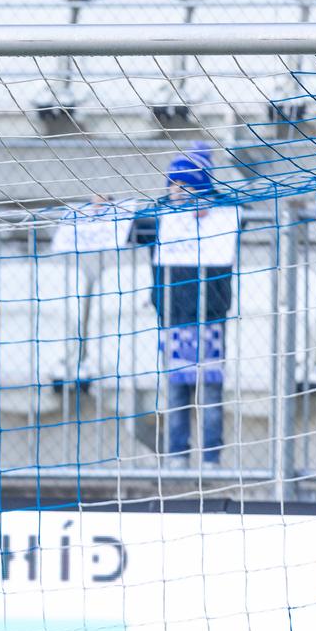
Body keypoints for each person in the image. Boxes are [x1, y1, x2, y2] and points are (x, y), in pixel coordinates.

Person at [132, 145, 241, 466]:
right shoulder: (160, 219)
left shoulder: (221, 217)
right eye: (173, 186)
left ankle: (211, 457)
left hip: (210, 315)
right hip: (173, 315)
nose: (177, 193)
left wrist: (211, 204)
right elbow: (132, 227)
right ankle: (177, 454)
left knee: (210, 390)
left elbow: (239, 215)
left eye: (186, 186)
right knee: (176, 390)